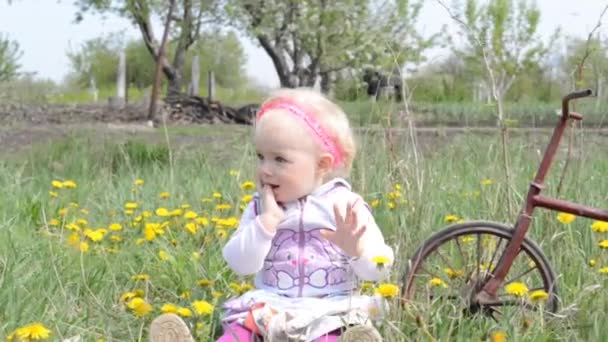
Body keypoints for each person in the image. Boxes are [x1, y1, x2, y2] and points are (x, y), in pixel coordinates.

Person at [150, 88, 394, 342]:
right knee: (241, 333)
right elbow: (240, 264)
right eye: (260, 157)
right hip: (271, 305)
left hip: (330, 307)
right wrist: (265, 224)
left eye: (279, 159)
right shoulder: (260, 208)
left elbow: (380, 269)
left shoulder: (346, 207)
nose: (265, 169)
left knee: (331, 335)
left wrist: (358, 251)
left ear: (322, 164)